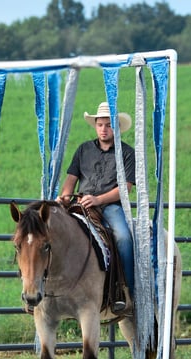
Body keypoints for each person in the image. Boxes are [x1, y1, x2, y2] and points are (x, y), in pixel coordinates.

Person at [58, 102, 135, 314]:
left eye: (108, 125)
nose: (103, 129)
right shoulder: (83, 149)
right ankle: (53, 288)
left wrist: (98, 200)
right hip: (81, 203)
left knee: (123, 237)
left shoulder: (127, 153)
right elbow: (71, 180)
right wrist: (65, 198)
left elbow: (125, 189)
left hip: (110, 206)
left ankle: (126, 291)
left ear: (117, 127)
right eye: (100, 125)